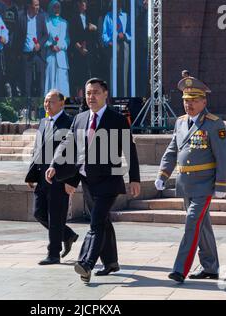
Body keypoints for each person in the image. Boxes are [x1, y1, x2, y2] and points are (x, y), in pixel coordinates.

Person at [45, 78, 141, 283]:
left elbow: (129, 150)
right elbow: (67, 144)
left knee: (96, 223)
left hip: (109, 181)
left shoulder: (117, 119)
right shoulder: (79, 119)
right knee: (103, 222)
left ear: (105, 94)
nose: (91, 97)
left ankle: (86, 263)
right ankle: (111, 262)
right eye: (88, 93)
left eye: (96, 92)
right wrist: (54, 164)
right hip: (87, 180)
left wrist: (134, 179)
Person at [154, 77, 226, 283]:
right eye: (186, 100)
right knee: (202, 226)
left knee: (191, 224)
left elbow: (223, 157)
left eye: (194, 100)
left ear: (204, 102)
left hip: (204, 184)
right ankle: (211, 267)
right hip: (185, 184)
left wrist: (221, 184)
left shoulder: (214, 124)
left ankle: (180, 269)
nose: (189, 104)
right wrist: (163, 174)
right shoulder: (180, 122)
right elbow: (172, 151)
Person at [25, 89, 79, 265]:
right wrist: (32, 174)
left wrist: (71, 181)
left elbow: (77, 154)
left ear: (62, 103)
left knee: (56, 216)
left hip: (60, 178)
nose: (47, 105)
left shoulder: (70, 123)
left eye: (51, 101)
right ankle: (68, 235)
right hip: (42, 177)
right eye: (45, 101)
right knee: (38, 212)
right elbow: (38, 150)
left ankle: (53, 254)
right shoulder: (43, 122)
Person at [17, 0, 48, 98]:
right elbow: (17, 36)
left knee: (40, 83)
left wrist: (39, 44)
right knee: (26, 83)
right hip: (26, 55)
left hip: (39, 55)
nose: (38, 7)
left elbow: (46, 35)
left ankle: (41, 102)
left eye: (38, 5)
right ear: (29, 6)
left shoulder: (41, 17)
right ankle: (27, 101)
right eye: (36, 5)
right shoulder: (21, 17)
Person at [102, 0, 131, 97]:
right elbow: (104, 33)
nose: (118, 4)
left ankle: (124, 96)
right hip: (112, 46)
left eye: (119, 2)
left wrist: (125, 35)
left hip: (124, 45)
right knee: (113, 73)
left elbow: (131, 32)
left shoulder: (126, 16)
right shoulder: (108, 16)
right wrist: (108, 42)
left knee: (124, 73)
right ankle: (113, 97)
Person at [69, 0, 97, 97]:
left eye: (86, 2)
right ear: (78, 4)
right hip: (78, 52)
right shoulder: (73, 18)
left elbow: (96, 32)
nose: (85, 4)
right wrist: (80, 49)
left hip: (89, 51)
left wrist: (94, 28)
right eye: (82, 2)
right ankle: (80, 98)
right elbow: (72, 37)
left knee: (89, 77)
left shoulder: (90, 16)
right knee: (79, 80)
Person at [44, 1, 70, 97]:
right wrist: (51, 45)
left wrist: (61, 46)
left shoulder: (65, 23)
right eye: (54, 7)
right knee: (50, 81)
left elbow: (67, 39)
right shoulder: (46, 22)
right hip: (50, 55)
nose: (57, 9)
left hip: (61, 56)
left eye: (58, 7)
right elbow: (44, 38)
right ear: (51, 8)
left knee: (62, 82)